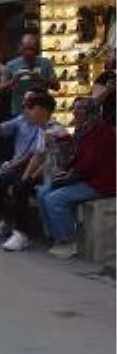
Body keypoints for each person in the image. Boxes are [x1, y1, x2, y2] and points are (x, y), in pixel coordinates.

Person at [37, 97, 117, 259]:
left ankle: (68, 241)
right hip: (86, 176)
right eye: (75, 108)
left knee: (55, 199)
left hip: (100, 182)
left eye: (80, 109)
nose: (75, 112)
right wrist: (66, 168)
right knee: (43, 192)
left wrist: (70, 176)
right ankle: (56, 236)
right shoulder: (84, 128)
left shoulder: (101, 130)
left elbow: (92, 163)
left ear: (90, 111)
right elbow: (77, 155)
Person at [0, 92, 62, 252]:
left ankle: (21, 233)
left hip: (52, 175)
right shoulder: (41, 129)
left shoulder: (55, 130)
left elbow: (47, 161)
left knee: (20, 187)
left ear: (43, 110)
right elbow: (37, 157)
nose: (27, 111)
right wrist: (26, 177)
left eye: (32, 108)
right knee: (0, 180)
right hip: (35, 170)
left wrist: (28, 178)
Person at [0, 31, 59, 114]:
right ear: (20, 48)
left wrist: (41, 79)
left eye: (32, 49)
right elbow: (1, 89)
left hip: (41, 112)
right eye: (26, 49)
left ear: (37, 49)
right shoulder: (11, 65)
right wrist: (13, 80)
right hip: (19, 112)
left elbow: (57, 86)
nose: (29, 52)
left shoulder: (45, 63)